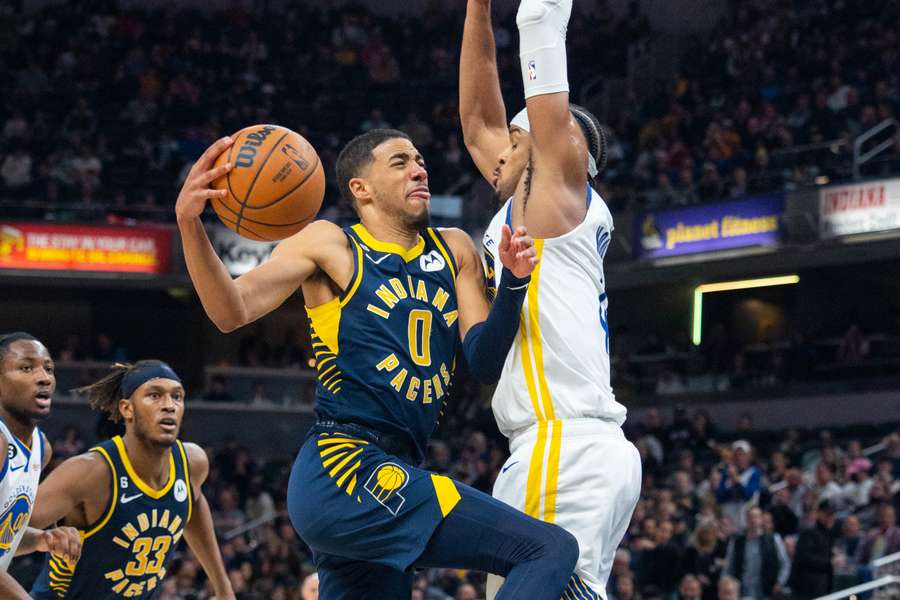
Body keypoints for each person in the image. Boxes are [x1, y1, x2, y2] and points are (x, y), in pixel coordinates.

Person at [176, 130, 579, 600]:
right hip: (343, 465)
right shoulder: (332, 245)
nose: (419, 168)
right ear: (360, 189)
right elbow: (230, 311)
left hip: (396, 470)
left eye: (421, 159)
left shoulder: (454, 250)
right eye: (400, 161)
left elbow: (484, 362)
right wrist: (189, 224)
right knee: (548, 549)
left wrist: (512, 284)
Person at [459, 1, 640, 597]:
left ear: (547, 147)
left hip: (562, 447)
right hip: (577, 449)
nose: (497, 150)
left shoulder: (558, 198)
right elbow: (476, 121)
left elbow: (539, 24)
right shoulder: (534, 199)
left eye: (515, 139)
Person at [29, 360, 235, 599]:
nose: (168, 405)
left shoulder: (192, 463)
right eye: (154, 396)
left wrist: (222, 586)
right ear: (127, 409)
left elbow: (193, 503)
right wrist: (40, 539)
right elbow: (9, 528)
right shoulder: (90, 473)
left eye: (177, 397)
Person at [0, 332, 81, 600]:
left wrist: (40, 540)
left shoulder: (41, 448)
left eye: (48, 368)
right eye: (26, 367)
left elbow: (4, 540)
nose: (44, 377)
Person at [723, 507, 790, 600]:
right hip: (742, 591)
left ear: (761, 519)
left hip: (766, 591)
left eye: (756, 517)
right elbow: (728, 567)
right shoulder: (736, 542)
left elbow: (785, 564)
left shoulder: (774, 539)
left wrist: (779, 583)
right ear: (746, 520)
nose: (753, 520)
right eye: (750, 517)